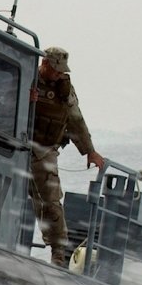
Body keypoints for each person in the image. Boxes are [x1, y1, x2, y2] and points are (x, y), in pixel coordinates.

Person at [29, 46, 105, 268]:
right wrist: (25, 99)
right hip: (16, 142)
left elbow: (75, 121)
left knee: (50, 200)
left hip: (44, 149)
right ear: (45, 64)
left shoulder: (64, 90)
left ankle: (58, 254)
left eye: (62, 71)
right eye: (55, 70)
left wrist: (89, 150)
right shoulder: (26, 76)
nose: (59, 75)